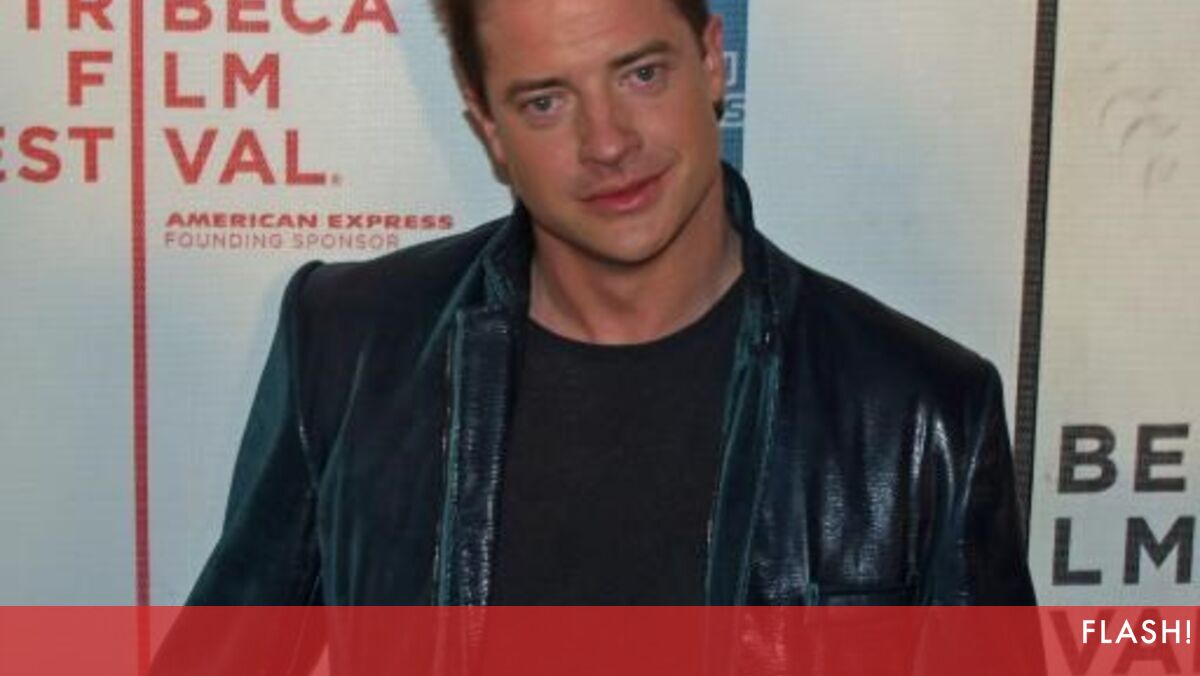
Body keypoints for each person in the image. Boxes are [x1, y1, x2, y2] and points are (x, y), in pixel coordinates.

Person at [184, 0, 1035, 610]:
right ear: (487, 125)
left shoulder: (919, 416)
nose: (608, 142)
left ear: (712, 61)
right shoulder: (349, 344)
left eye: (641, 74)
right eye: (546, 101)